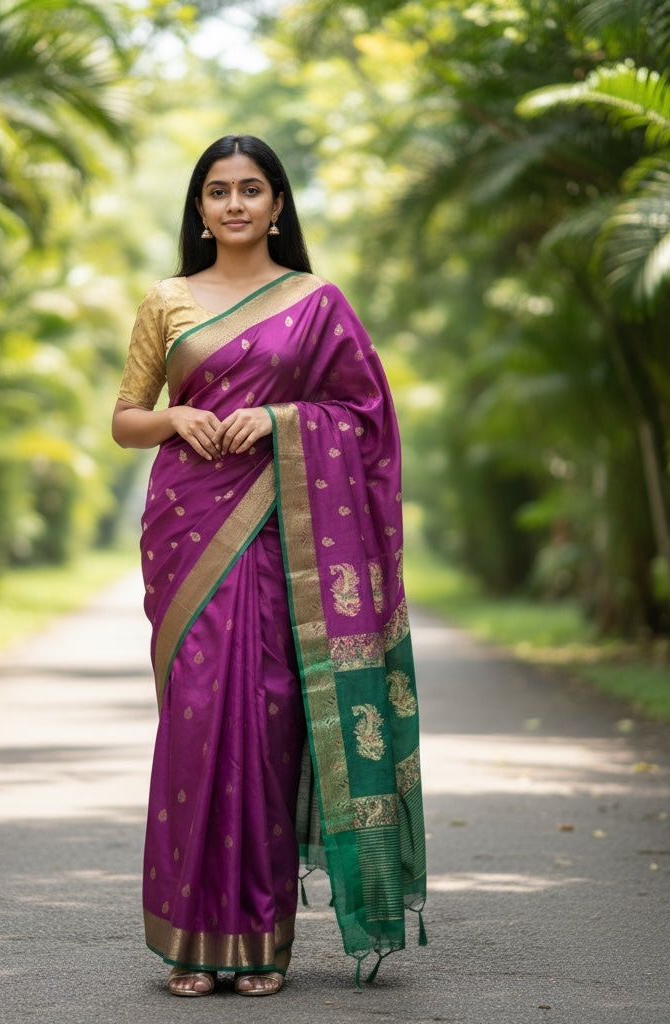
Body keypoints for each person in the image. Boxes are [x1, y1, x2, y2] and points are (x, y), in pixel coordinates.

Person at [111, 135, 426, 998]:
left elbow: (365, 417)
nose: (236, 204)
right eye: (219, 191)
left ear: (279, 204)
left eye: (253, 189)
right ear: (200, 207)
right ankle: (189, 943)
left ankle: (258, 940)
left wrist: (283, 421)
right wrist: (177, 422)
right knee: (198, 721)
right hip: (190, 526)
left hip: (286, 537)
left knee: (269, 718)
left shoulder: (317, 302)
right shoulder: (168, 301)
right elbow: (126, 418)